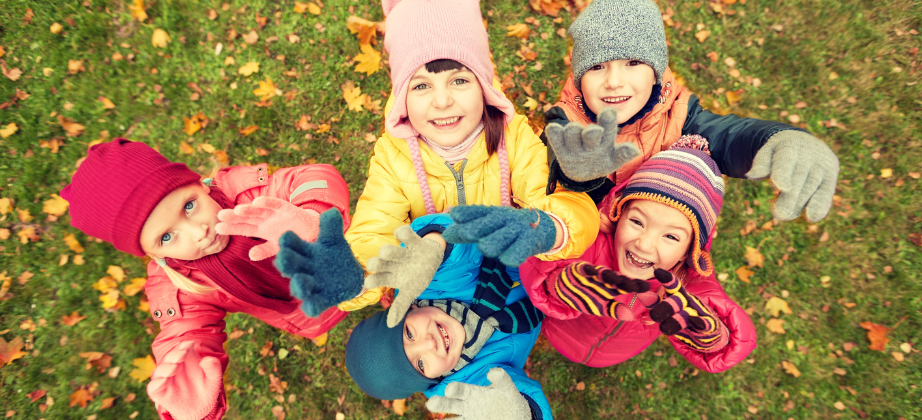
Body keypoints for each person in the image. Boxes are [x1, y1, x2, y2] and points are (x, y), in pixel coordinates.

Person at [309, 0, 600, 319]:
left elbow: (564, 203)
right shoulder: (393, 156)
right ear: (402, 98)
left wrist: (552, 227)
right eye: (421, 85)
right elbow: (374, 228)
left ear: (483, 87)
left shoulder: (514, 138)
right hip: (434, 295)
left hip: (507, 289)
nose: (443, 100)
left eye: (459, 80)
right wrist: (356, 272)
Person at [61, 139, 354, 420]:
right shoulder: (177, 285)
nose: (198, 232)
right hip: (307, 316)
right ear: (150, 254)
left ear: (199, 184)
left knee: (366, 279)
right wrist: (191, 404)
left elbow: (315, 177)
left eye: (189, 206)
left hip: (350, 259)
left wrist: (311, 215)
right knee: (336, 307)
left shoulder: (245, 195)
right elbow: (186, 333)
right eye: (166, 237)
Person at [542, 0, 839, 222]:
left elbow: (727, 137)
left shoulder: (680, 116)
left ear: (656, 72)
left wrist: (775, 138)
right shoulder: (565, 123)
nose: (614, 81)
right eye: (596, 67)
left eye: (632, 63)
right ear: (580, 79)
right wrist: (580, 178)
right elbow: (551, 193)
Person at [276, 212, 553, 420]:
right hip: (553, 293)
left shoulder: (429, 285)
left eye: (409, 334)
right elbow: (520, 395)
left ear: (409, 309)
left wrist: (434, 246)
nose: (430, 344)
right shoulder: (465, 381)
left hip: (532, 236)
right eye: (420, 363)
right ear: (433, 381)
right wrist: (522, 413)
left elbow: (456, 244)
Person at [519, 136, 756, 371]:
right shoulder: (589, 239)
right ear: (618, 213)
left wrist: (715, 338)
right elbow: (536, 259)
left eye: (671, 236)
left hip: (616, 352)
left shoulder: (689, 290)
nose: (644, 244)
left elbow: (727, 328)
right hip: (560, 330)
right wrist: (557, 283)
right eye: (637, 221)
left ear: (688, 252)